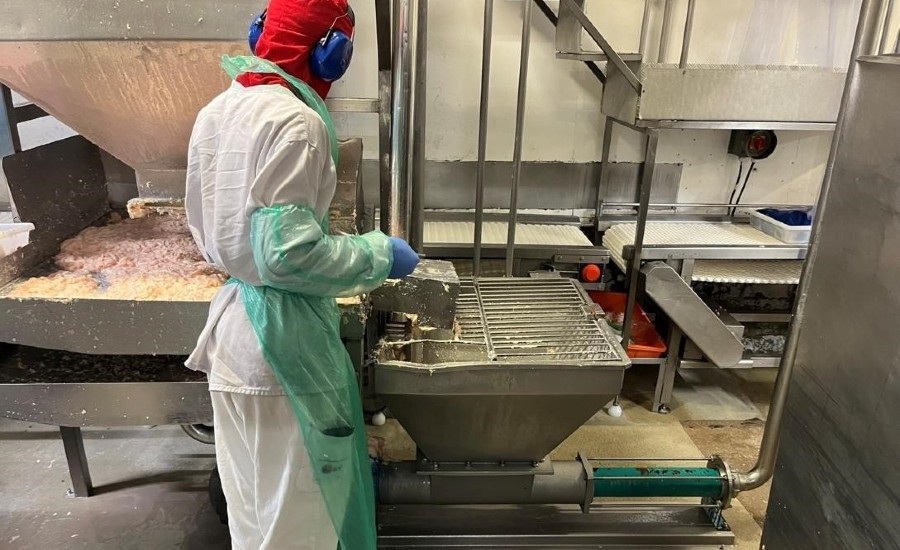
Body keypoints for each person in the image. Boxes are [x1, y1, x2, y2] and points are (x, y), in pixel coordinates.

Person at [183, 0, 419, 548]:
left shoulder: (218, 110)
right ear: (331, 53)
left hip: (234, 339)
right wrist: (377, 255)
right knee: (299, 523)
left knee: (253, 514)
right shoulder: (298, 123)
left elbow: (218, 232)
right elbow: (286, 256)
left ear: (261, 34)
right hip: (282, 355)